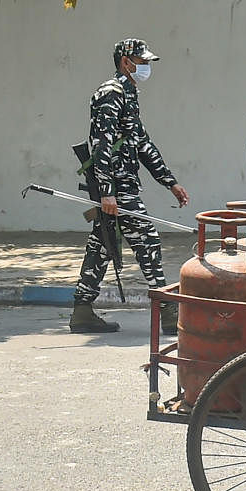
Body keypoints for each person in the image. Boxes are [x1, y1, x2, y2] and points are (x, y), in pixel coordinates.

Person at [70, 38, 190, 334]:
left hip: (124, 184)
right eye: (143, 61)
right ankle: (166, 310)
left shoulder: (128, 94)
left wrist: (169, 182)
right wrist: (108, 191)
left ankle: (82, 310)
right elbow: (102, 143)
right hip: (117, 187)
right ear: (126, 62)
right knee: (147, 240)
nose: (147, 67)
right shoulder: (111, 93)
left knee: (101, 246)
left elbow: (142, 144)